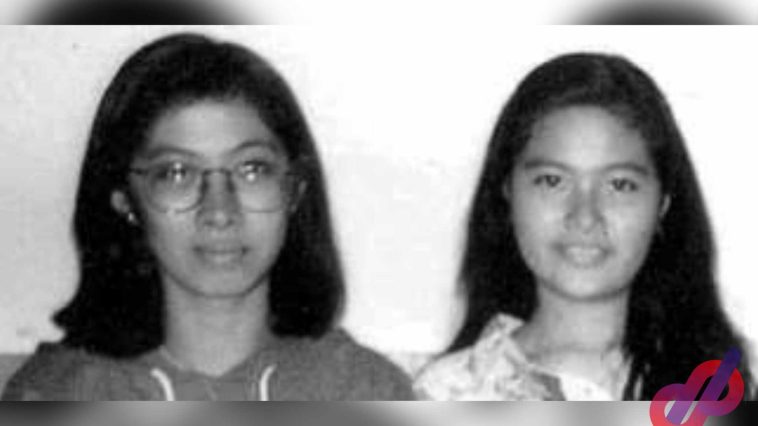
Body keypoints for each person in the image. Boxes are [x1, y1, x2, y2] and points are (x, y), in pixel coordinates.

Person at [3, 32, 413, 401]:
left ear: (294, 189)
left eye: (252, 169)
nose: (219, 212)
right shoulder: (58, 393)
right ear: (124, 199)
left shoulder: (366, 390)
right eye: (177, 172)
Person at [415, 52, 755, 400]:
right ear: (507, 191)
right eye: (552, 181)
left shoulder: (728, 380)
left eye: (619, 185)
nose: (584, 216)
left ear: (662, 205)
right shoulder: (444, 393)